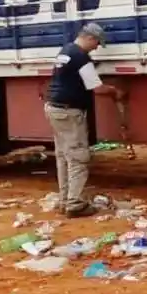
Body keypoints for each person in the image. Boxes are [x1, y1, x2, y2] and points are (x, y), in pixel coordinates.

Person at [44, 22, 122, 217]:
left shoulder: (66, 50)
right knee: (78, 157)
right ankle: (76, 204)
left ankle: (65, 200)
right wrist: (114, 91)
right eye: (96, 43)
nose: (96, 47)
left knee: (63, 156)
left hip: (54, 108)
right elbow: (96, 88)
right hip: (69, 112)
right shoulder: (81, 57)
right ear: (88, 38)